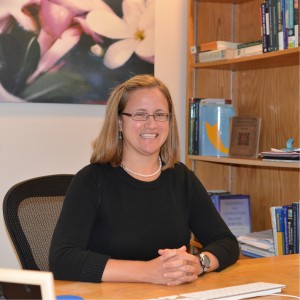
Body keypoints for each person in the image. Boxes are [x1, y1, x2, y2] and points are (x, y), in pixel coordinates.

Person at [49, 74, 239, 286]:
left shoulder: (181, 178)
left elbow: (227, 243)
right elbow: (62, 259)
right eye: (140, 115)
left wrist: (198, 263)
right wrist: (147, 271)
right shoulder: (92, 180)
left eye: (160, 115)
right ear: (120, 122)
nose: (152, 124)